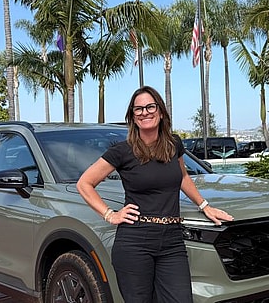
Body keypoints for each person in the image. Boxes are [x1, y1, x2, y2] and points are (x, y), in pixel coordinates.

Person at [77, 86, 233, 303]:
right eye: (138, 109)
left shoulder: (173, 145)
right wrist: (109, 214)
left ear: (160, 112)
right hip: (135, 241)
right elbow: (85, 183)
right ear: (133, 116)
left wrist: (204, 205)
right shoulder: (122, 151)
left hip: (172, 240)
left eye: (150, 106)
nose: (145, 112)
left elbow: (183, 176)